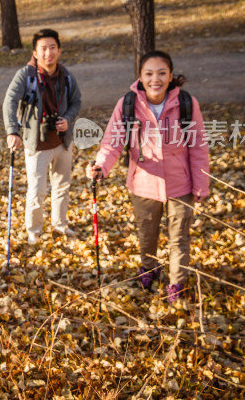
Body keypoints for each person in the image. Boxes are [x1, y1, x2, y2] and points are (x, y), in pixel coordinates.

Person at [86, 50, 210, 304]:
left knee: (179, 237)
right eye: (149, 74)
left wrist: (201, 183)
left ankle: (176, 284)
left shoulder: (186, 103)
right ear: (140, 77)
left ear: (171, 76)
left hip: (181, 184)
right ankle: (149, 270)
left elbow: (198, 147)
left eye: (162, 73)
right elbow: (113, 142)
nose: (156, 79)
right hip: (143, 183)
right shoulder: (128, 104)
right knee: (147, 234)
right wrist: (101, 166)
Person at [2, 29, 82, 244]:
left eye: (53, 48)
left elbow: (76, 101)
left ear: (59, 50)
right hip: (36, 142)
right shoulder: (26, 76)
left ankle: (60, 225)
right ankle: (34, 230)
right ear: (35, 53)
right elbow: (10, 101)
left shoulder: (66, 76)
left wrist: (68, 118)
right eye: (43, 49)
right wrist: (12, 131)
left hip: (62, 141)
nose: (49, 53)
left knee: (62, 185)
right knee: (37, 190)